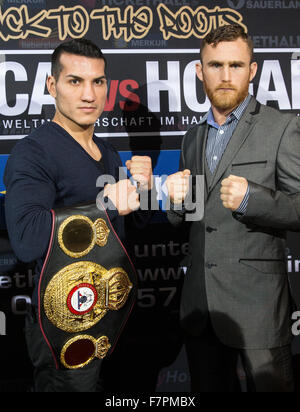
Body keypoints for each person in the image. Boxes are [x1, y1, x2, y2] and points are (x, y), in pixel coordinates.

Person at [4, 39, 154, 392]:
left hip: (112, 318)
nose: (89, 94)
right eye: (75, 81)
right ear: (52, 86)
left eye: (98, 82)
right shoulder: (33, 153)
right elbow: (26, 239)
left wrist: (143, 192)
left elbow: (125, 229)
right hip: (65, 326)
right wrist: (105, 203)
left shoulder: (107, 151)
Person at [166, 24, 300, 392]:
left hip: (258, 310)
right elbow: (190, 216)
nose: (225, 77)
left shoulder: (282, 128)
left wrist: (251, 199)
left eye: (236, 66)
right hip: (201, 308)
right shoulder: (192, 137)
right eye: (215, 66)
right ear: (199, 70)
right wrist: (174, 202)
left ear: (252, 70)